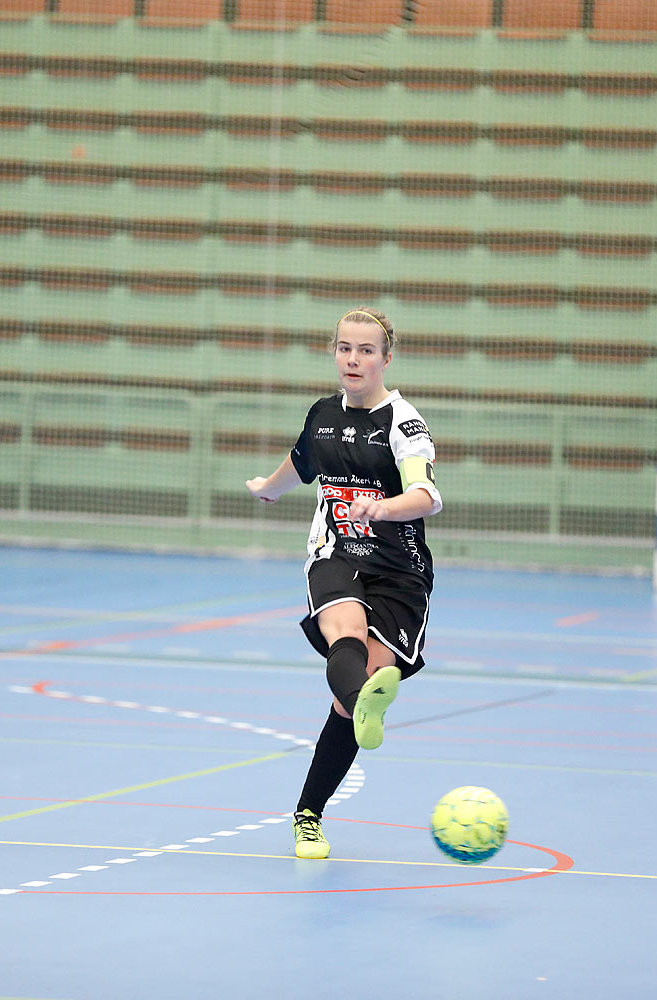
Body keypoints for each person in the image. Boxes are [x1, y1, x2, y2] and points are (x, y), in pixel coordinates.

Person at [246, 307, 441, 860]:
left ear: (385, 359)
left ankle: (315, 796)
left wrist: (383, 508)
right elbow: (301, 459)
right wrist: (270, 487)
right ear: (335, 352)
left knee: (345, 699)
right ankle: (313, 805)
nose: (353, 360)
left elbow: (426, 496)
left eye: (365, 351)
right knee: (344, 635)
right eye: (344, 348)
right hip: (335, 553)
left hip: (400, 569)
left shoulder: (404, 424)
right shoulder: (322, 415)